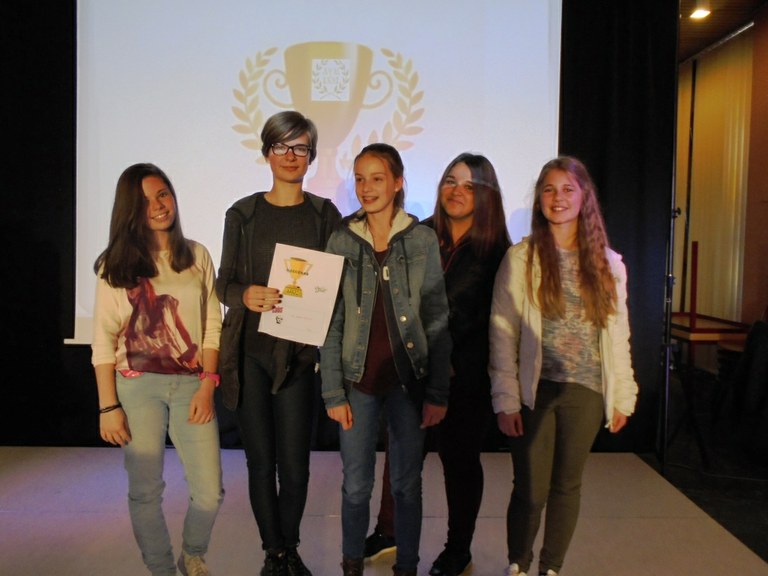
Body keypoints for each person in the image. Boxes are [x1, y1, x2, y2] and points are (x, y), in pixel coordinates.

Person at [489, 157, 638, 576]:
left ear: (584, 196)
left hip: (586, 390)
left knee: (567, 485)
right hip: (535, 390)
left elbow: (618, 335)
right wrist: (506, 399)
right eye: (549, 189)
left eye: (568, 189)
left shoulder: (609, 264)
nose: (558, 198)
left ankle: (551, 567)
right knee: (530, 487)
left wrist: (623, 395)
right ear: (539, 198)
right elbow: (502, 333)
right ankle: (519, 563)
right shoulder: (521, 258)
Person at [363, 154, 511, 576]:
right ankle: (388, 531)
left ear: (487, 195)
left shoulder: (499, 251)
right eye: (450, 181)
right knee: (400, 459)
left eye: (469, 185)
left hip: (464, 377)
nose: (457, 191)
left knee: (459, 463)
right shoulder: (416, 234)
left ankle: (458, 549)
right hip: (409, 370)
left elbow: (485, 320)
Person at [215, 111, 341, 576]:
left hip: (300, 356)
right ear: (267, 153)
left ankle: (289, 547)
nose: (291, 156)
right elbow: (223, 283)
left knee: (296, 467)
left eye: (300, 147)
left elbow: (335, 284)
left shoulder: (325, 215)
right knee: (259, 462)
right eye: (281, 147)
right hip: (250, 353)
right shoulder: (243, 213)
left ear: (311, 156)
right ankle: (274, 552)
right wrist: (244, 295)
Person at [321, 143, 452, 576]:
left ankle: (407, 567)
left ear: (398, 182)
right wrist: (333, 391)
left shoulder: (421, 239)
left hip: (408, 382)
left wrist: (437, 392)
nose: (366, 187)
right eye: (360, 178)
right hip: (356, 381)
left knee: (407, 485)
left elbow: (436, 319)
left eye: (377, 178)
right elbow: (331, 319)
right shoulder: (341, 239)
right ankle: (352, 566)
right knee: (356, 487)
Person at [92, 163, 224, 576]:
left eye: (163, 194)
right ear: (130, 209)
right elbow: (103, 341)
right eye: (145, 200)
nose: (158, 206)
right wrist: (108, 407)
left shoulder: (197, 255)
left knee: (209, 493)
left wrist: (208, 385)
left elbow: (212, 325)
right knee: (146, 490)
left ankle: (193, 554)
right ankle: (162, 569)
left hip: (191, 385)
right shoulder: (114, 265)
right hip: (137, 388)